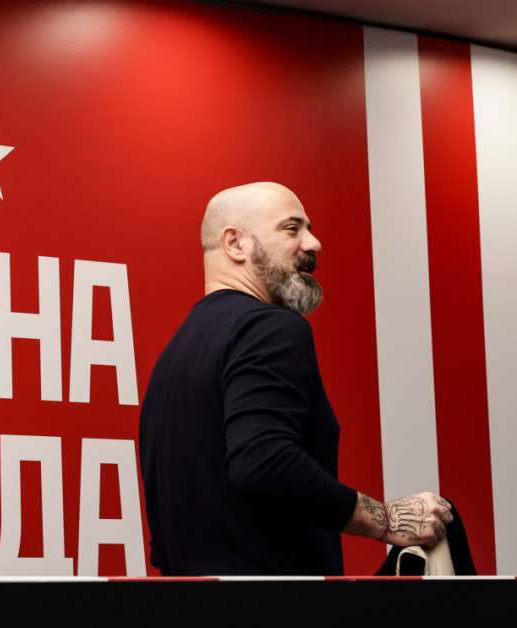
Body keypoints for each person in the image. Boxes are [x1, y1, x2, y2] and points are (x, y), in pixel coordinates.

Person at [138, 182, 453, 576]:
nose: (313, 243)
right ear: (235, 243)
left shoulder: (173, 356)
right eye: (292, 228)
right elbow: (262, 462)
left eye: (309, 229)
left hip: (186, 601)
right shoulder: (270, 326)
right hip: (276, 602)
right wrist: (387, 520)